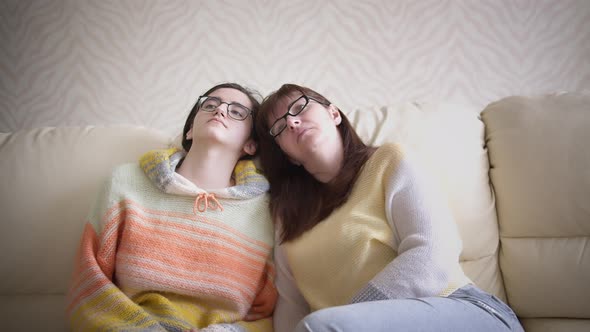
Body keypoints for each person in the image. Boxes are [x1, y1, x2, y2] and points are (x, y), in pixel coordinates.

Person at [255, 84, 524, 332]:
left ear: (333, 113)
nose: (291, 121)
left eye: (300, 107)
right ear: (288, 156)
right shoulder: (285, 215)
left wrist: (351, 314)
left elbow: (433, 255)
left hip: (464, 311)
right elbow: (292, 306)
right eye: (279, 126)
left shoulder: (388, 160)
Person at [67, 83, 277, 331]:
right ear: (189, 131)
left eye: (237, 112)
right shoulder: (125, 183)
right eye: (210, 105)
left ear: (250, 145)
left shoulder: (266, 212)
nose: (220, 110)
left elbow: (265, 316)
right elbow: (89, 282)